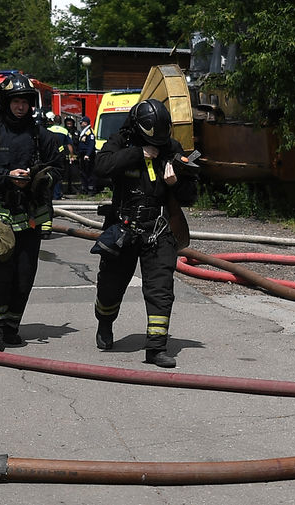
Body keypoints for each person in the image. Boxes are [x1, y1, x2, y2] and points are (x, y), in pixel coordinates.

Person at [91, 98, 199, 368]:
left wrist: (175, 184)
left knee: (161, 290)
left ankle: (156, 348)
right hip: (124, 227)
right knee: (110, 286)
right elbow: (99, 167)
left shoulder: (171, 148)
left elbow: (190, 196)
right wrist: (137, 154)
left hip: (158, 229)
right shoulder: (121, 142)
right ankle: (105, 324)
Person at [0, 72, 64, 351]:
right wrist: (6, 176)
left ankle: (11, 326)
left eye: (25, 102)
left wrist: (39, 178)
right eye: (16, 101)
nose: (21, 107)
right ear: (5, 102)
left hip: (31, 215)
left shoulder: (40, 136)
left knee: (24, 274)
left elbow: (58, 167)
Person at [40, 112, 75, 238]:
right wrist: (71, 156)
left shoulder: (45, 132)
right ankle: (46, 229)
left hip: (40, 170)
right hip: (52, 167)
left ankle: (40, 228)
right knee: (48, 197)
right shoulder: (63, 131)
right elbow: (67, 147)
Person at [76, 116, 97, 195]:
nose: (81, 124)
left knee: (90, 172)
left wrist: (87, 155)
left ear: (86, 123)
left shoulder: (89, 132)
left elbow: (91, 145)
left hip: (88, 156)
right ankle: (85, 188)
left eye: (82, 122)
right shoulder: (84, 132)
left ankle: (91, 189)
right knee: (83, 172)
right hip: (82, 155)